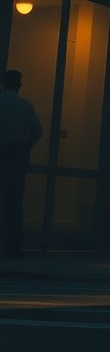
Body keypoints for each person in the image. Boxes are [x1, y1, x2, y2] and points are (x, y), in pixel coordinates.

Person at [0, 69, 43, 258]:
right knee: (14, 201)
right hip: (17, 154)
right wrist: (26, 146)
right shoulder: (25, 105)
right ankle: (13, 247)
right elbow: (37, 131)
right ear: (19, 85)